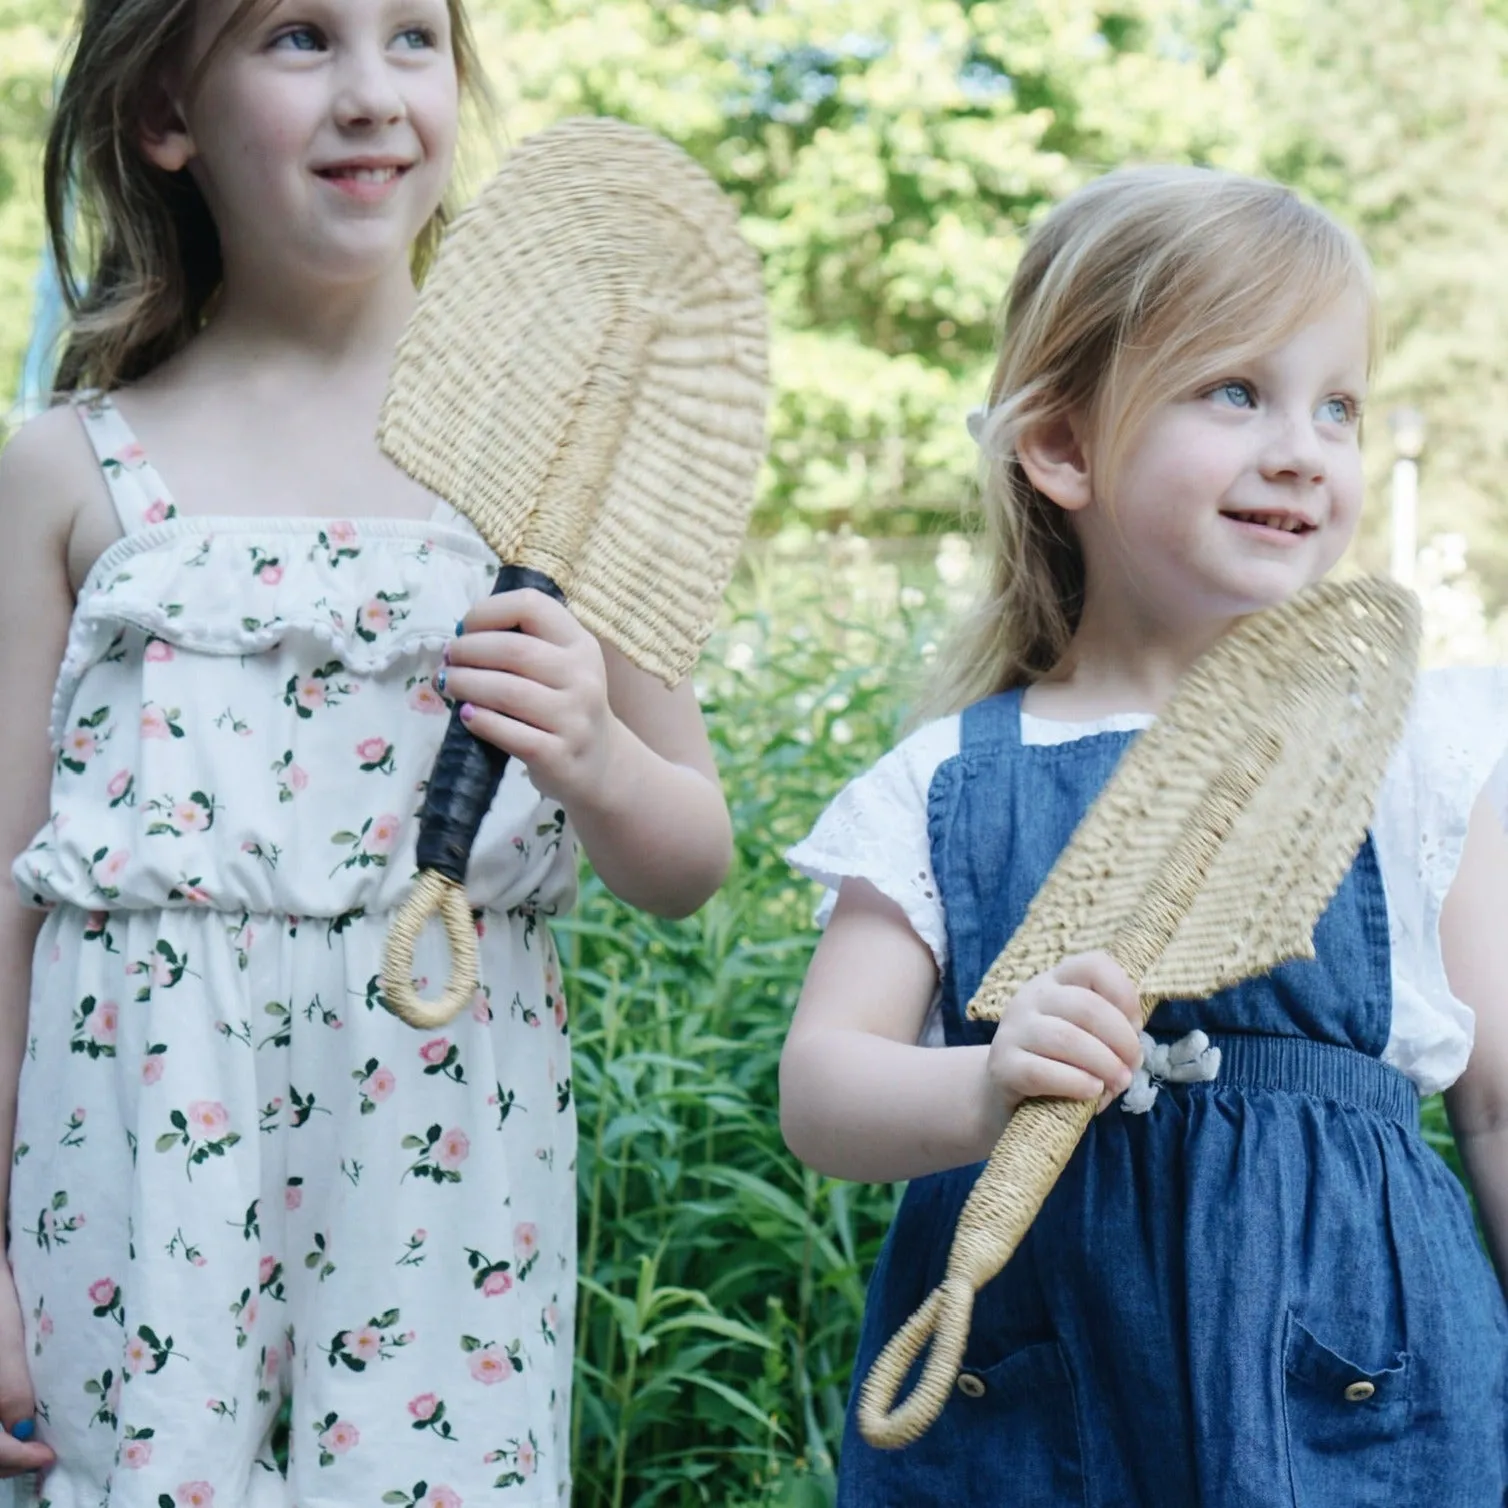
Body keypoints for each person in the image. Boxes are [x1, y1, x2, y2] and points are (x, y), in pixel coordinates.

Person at [0, 0, 734, 1500]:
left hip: (442, 1161)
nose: (370, 93)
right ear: (165, 118)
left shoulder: (558, 451)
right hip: (136, 1161)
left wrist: (593, 748)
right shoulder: (67, 468)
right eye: (297, 39)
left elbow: (690, 861)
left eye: (412, 37)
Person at [781, 166, 1508, 1505]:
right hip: (1038, 1388)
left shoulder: (1413, 755)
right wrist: (983, 1088)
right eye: (1235, 391)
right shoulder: (944, 782)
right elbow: (824, 1087)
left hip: (1359, 1390)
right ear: (1061, 448)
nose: (1302, 445)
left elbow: (1501, 1103)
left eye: (1335, 404)